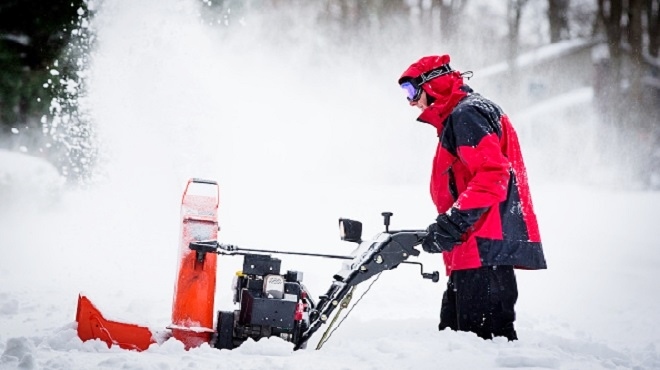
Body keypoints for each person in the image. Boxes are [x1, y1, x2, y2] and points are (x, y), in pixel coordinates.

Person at [398, 54, 547, 341]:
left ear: (433, 84)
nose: (410, 101)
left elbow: (493, 174)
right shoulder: (463, 116)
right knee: (459, 346)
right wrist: (451, 229)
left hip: (482, 252)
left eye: (412, 91)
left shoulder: (467, 115)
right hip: (471, 251)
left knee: (480, 350)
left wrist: (453, 224)